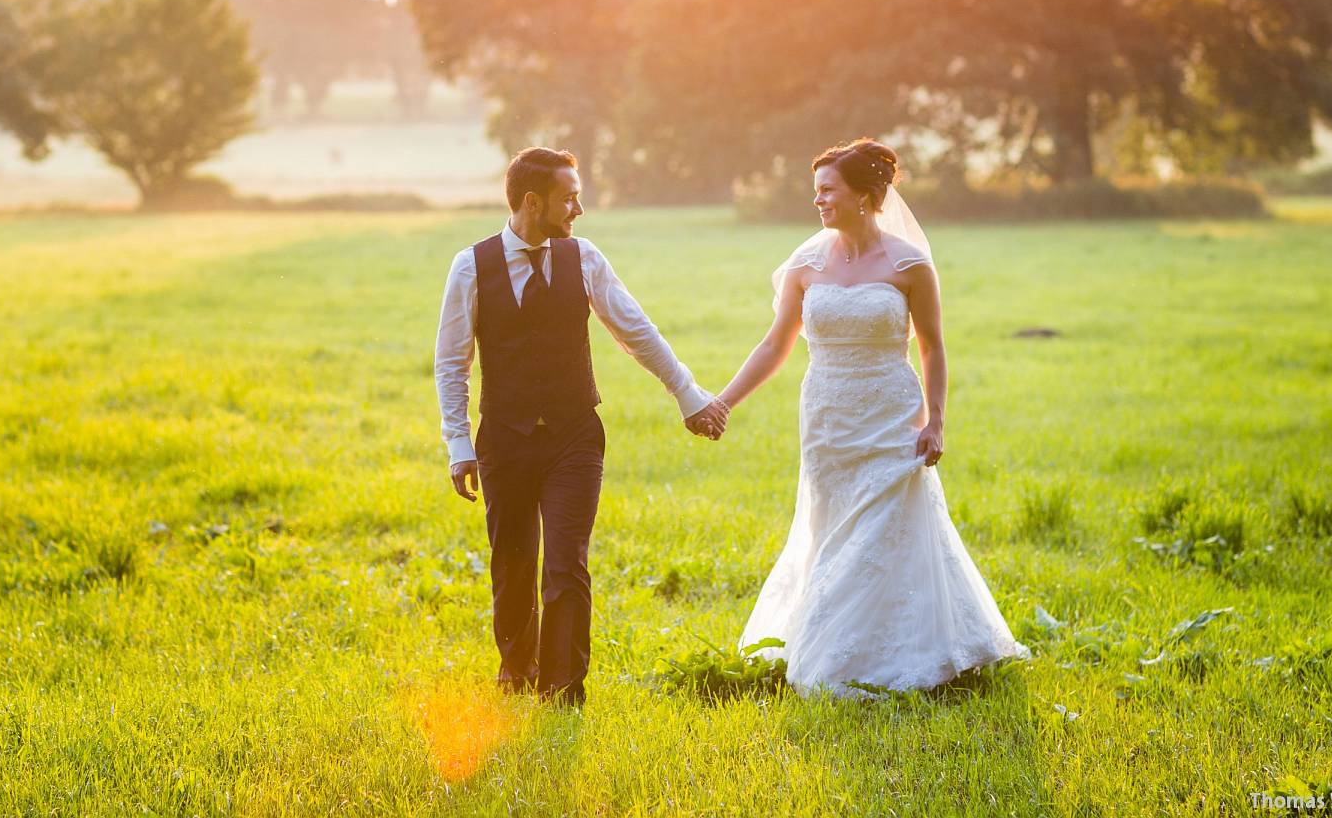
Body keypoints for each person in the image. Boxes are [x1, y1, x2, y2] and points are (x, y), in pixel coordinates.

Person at [712, 138, 1025, 695]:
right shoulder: (806, 264)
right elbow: (774, 345)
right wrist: (723, 402)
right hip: (828, 419)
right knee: (832, 529)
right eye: (817, 192)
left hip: (891, 414)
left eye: (828, 191)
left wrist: (936, 422)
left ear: (864, 196)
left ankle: (896, 652)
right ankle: (830, 639)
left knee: (888, 527)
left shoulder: (910, 265)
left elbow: (932, 347)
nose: (819, 202)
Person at [434, 147, 730, 706]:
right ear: (531, 201)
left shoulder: (584, 258)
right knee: (513, 564)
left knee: (567, 564)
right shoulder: (470, 266)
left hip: (575, 437)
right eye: (570, 197)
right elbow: (452, 362)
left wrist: (688, 396)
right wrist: (457, 444)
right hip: (504, 439)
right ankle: (517, 675)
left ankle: (563, 691)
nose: (579, 208)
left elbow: (635, 331)